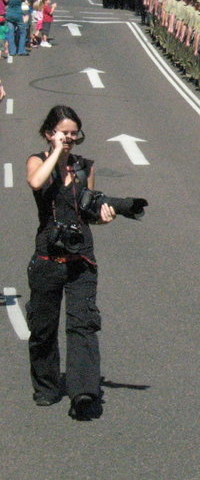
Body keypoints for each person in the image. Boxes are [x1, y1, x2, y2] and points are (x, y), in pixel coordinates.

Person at [26, 105, 118, 419]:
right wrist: (55, 153)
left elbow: (88, 208)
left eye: (73, 134)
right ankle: (47, 387)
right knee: (43, 327)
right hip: (47, 256)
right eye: (64, 133)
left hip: (81, 257)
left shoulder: (84, 167)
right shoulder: (38, 161)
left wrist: (104, 216)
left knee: (83, 325)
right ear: (49, 133)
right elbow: (37, 183)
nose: (69, 139)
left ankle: (83, 391)